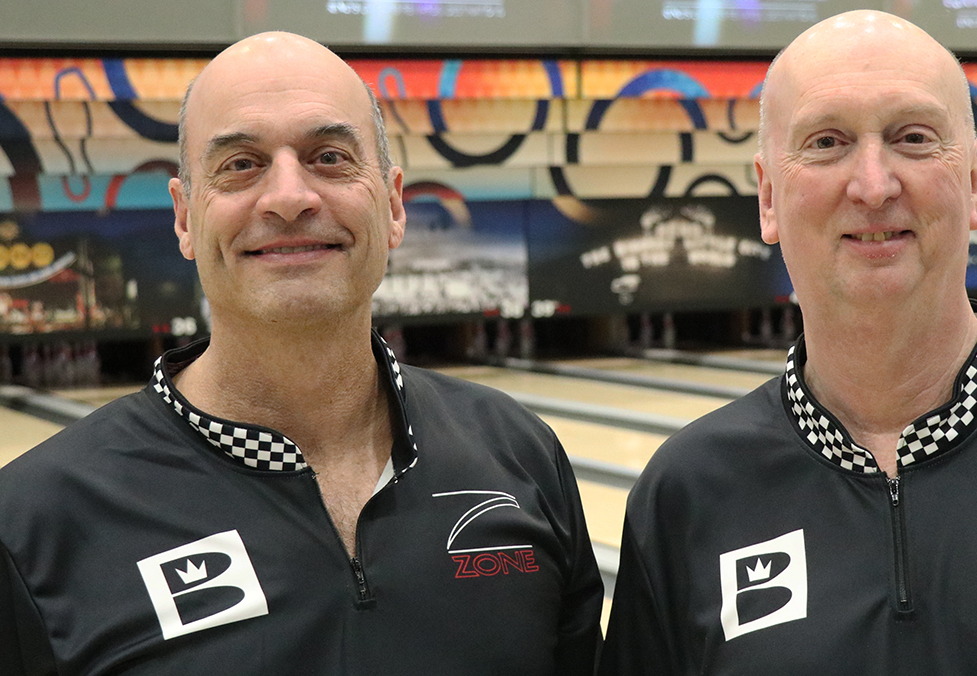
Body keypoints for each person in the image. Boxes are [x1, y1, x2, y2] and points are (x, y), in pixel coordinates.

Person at [599, 10, 977, 675]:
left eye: (913, 138)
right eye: (826, 142)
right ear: (768, 197)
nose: (874, 185)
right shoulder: (686, 493)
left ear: (974, 182)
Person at [0, 33, 603, 675]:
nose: (289, 197)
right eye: (240, 164)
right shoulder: (36, 520)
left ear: (394, 203)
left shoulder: (521, 455)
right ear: (183, 218)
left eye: (330, 157)